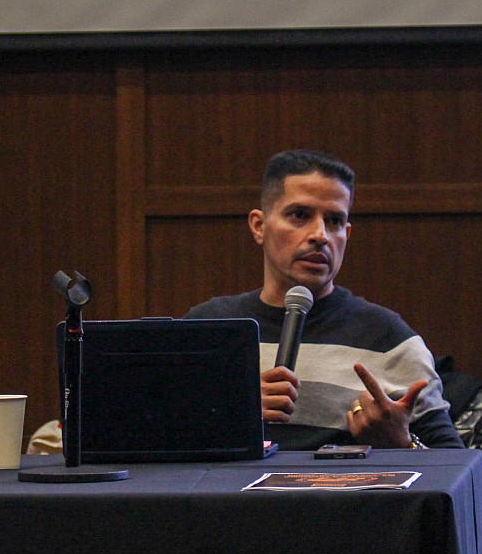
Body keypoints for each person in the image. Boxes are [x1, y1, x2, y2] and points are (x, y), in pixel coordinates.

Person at [186, 149, 463, 450]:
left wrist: (401, 443)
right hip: (227, 496)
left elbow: (455, 471)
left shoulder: (389, 339)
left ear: (347, 233)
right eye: (300, 216)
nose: (320, 234)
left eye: (333, 221)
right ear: (259, 226)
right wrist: (229, 411)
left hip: (343, 496)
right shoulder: (208, 329)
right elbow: (154, 449)